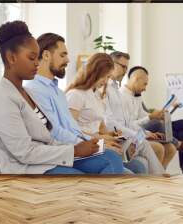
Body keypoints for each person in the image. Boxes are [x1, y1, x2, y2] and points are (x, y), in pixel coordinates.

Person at [0, 21, 124, 175]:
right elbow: (24, 153)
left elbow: (47, 136)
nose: (37, 63)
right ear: (11, 58)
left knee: (112, 158)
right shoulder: (3, 99)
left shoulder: (26, 93)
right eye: (32, 58)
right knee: (102, 166)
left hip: (49, 157)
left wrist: (84, 147)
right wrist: (74, 150)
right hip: (27, 168)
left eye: (37, 57)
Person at [25, 33, 146, 174]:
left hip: (70, 147)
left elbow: (71, 127)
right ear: (46, 55)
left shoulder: (57, 92)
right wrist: (94, 143)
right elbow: (54, 132)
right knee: (112, 159)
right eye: (63, 55)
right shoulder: (35, 90)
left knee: (133, 164)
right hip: (60, 151)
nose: (68, 60)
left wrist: (96, 141)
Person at [65, 53, 160, 174]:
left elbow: (100, 125)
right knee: (131, 169)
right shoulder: (75, 95)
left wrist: (111, 135)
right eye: (103, 77)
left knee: (140, 165)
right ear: (93, 72)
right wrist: (102, 139)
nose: (105, 82)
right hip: (83, 148)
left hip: (96, 144)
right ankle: (161, 180)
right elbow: (70, 131)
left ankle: (158, 183)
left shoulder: (96, 95)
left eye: (108, 77)